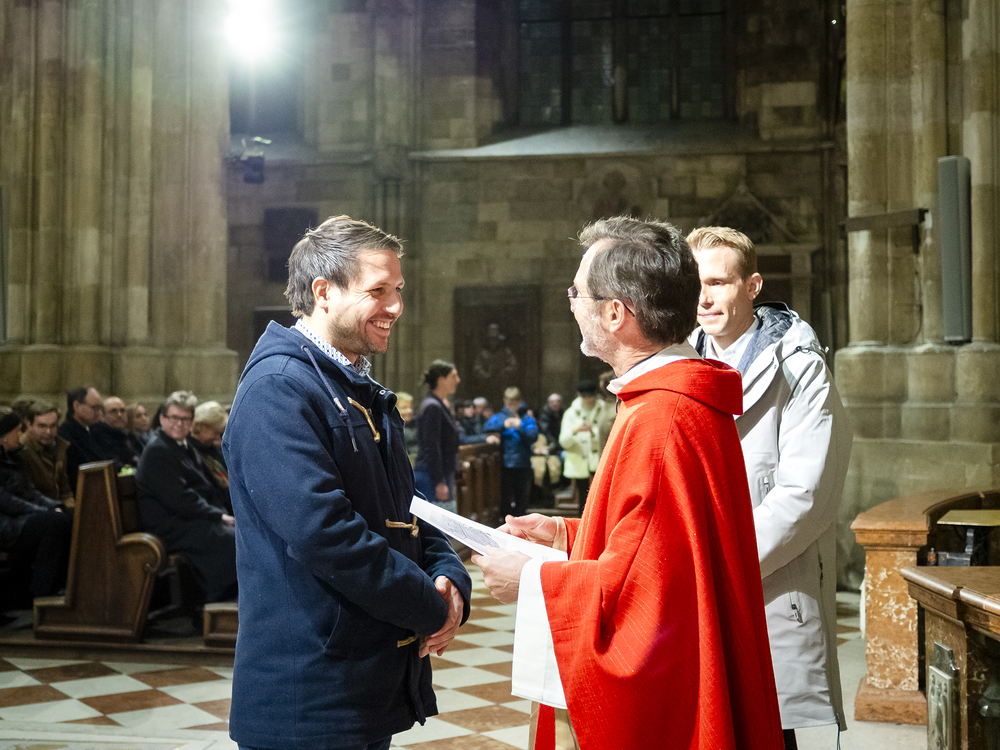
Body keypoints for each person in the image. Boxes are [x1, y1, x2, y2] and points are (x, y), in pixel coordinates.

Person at [472, 216, 782, 750]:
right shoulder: (674, 400)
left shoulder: (662, 418)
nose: (572, 304)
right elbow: (659, 546)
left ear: (615, 313)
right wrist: (565, 536)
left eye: (577, 292)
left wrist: (531, 580)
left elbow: (649, 602)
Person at [223, 215, 472, 750]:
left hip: (362, 684)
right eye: (378, 291)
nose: (395, 307)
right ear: (324, 292)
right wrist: (429, 605)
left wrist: (449, 573)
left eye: (398, 290)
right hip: (309, 692)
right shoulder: (278, 389)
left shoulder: (350, 384)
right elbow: (325, 532)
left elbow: (405, 502)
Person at [688, 226, 852, 748]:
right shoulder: (674, 365)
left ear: (753, 286)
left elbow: (805, 497)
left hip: (762, 581)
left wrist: (714, 565)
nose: (703, 298)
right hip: (687, 588)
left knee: (765, 732)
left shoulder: (800, 368)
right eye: (695, 284)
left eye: (718, 282)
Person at [135, 391, 237, 604]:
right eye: (174, 418)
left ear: (192, 422)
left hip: (188, 517)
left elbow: (207, 487)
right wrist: (219, 516)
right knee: (231, 539)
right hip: (170, 525)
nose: (179, 424)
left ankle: (222, 598)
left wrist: (223, 513)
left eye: (185, 419)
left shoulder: (183, 445)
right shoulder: (158, 450)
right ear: (162, 418)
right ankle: (214, 601)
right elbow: (180, 499)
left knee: (237, 533)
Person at [0, 408, 73, 601]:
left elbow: (30, 492)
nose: (20, 435)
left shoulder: (13, 455)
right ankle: (41, 594)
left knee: (68, 515)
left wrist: (55, 505)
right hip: (6, 522)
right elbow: (6, 502)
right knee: (54, 523)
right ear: (4, 435)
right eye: (17, 431)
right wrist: (43, 511)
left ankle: (65, 583)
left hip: (18, 516)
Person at [413, 361, 462, 513]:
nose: (458, 380)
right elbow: (431, 446)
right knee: (437, 522)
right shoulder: (432, 406)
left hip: (440, 473)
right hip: (432, 475)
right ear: (441, 380)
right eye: (453, 376)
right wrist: (439, 481)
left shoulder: (439, 404)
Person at [484, 387, 538, 517]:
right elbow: (486, 428)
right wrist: (504, 425)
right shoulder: (499, 417)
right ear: (504, 401)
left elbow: (533, 436)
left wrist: (520, 426)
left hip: (522, 464)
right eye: (509, 402)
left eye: (515, 402)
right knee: (504, 498)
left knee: (521, 498)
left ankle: (521, 524)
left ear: (520, 402)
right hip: (503, 465)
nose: (512, 405)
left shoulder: (527, 418)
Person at [558, 381, 609, 512]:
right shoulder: (570, 413)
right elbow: (563, 441)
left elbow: (608, 434)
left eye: (590, 396)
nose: (587, 399)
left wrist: (592, 432)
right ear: (579, 395)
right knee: (582, 499)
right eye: (584, 396)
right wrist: (576, 430)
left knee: (601, 498)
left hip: (600, 460)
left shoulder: (604, 409)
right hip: (579, 462)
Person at [17, 400, 74, 506]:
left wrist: (72, 508)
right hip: (38, 508)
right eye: (42, 426)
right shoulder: (21, 450)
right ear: (29, 425)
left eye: (53, 426)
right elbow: (26, 495)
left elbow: (65, 490)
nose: (48, 432)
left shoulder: (59, 446)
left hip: (58, 506)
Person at [57, 386, 109, 490]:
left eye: (100, 408)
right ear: (77, 406)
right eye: (94, 408)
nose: (99, 412)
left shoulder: (96, 430)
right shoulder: (66, 435)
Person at [93, 396, 139, 467]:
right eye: (113, 411)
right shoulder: (98, 439)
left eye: (122, 411)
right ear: (102, 416)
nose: (119, 415)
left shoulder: (129, 437)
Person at [395, 392, 419, 458]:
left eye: (410, 407)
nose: (409, 411)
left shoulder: (415, 422)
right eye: (404, 408)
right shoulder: (392, 428)